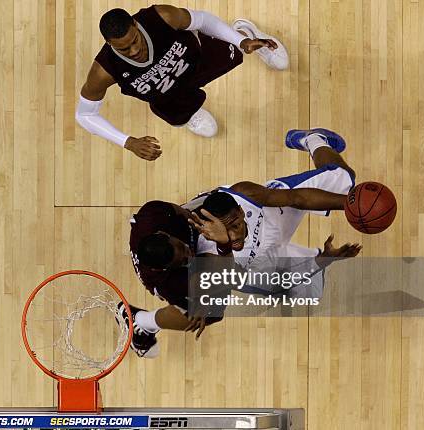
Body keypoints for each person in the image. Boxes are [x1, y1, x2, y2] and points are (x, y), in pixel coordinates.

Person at [124, 128, 362, 358]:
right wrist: (322, 260)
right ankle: (141, 321)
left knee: (344, 180)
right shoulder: (185, 274)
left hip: (270, 220)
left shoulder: (158, 215)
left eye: (185, 248)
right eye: (184, 258)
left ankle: (313, 139)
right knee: (305, 291)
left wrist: (352, 206)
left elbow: (296, 198)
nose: (189, 254)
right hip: (238, 263)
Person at [75, 5, 289, 161]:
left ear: (136, 25)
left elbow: (203, 21)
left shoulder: (162, 17)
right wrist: (129, 142)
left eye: (134, 41)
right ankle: (191, 114)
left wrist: (240, 41)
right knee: (177, 115)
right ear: (109, 43)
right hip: (168, 96)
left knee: (237, 50)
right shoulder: (103, 71)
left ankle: (247, 33)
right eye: (124, 49)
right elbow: (84, 115)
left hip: (197, 61)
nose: (134, 51)